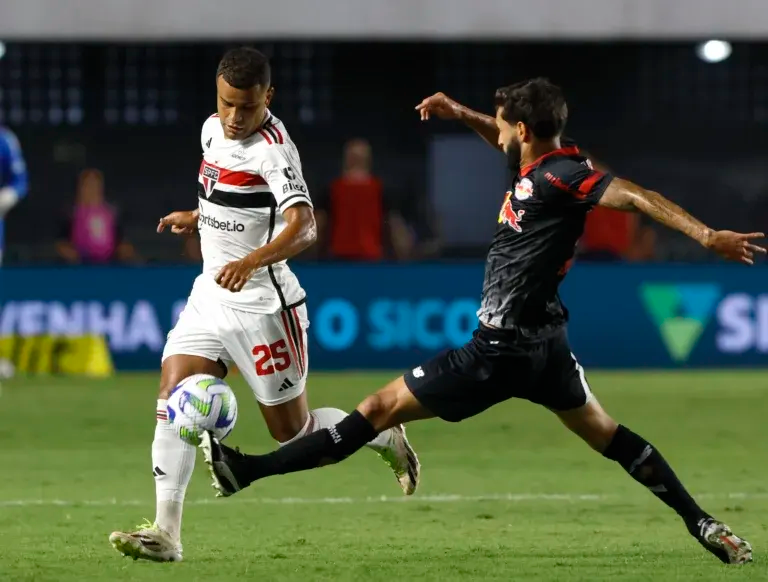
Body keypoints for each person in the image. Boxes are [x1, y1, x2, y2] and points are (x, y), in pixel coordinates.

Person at [200, 79, 759, 566]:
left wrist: (706, 235)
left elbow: (636, 196)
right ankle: (702, 521)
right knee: (609, 436)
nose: (497, 131)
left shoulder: (565, 175)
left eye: (501, 122)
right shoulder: (541, 165)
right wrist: (458, 112)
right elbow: (502, 137)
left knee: (374, 411)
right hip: (547, 349)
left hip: (498, 352)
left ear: (522, 127)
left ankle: (245, 472)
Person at [108, 47, 419, 563]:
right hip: (211, 294)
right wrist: (197, 216)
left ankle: (382, 436)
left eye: (247, 107)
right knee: (172, 395)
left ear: (267, 98)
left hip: (263, 307)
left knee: (292, 433)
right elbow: (228, 200)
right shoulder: (211, 130)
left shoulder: (274, 150)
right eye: (227, 103)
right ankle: (167, 533)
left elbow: (306, 226)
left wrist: (251, 261)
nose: (234, 118)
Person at [315, 138, 412, 261]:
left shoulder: (332, 189)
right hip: (366, 257)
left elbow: (318, 226)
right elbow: (396, 228)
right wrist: (404, 257)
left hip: (342, 258)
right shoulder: (380, 189)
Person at [55, 168, 139, 264]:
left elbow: (122, 242)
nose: (92, 189)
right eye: (87, 185)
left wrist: (124, 251)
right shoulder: (70, 214)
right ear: (79, 188)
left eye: (95, 185)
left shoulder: (111, 214)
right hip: (79, 266)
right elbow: (61, 243)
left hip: (110, 264)